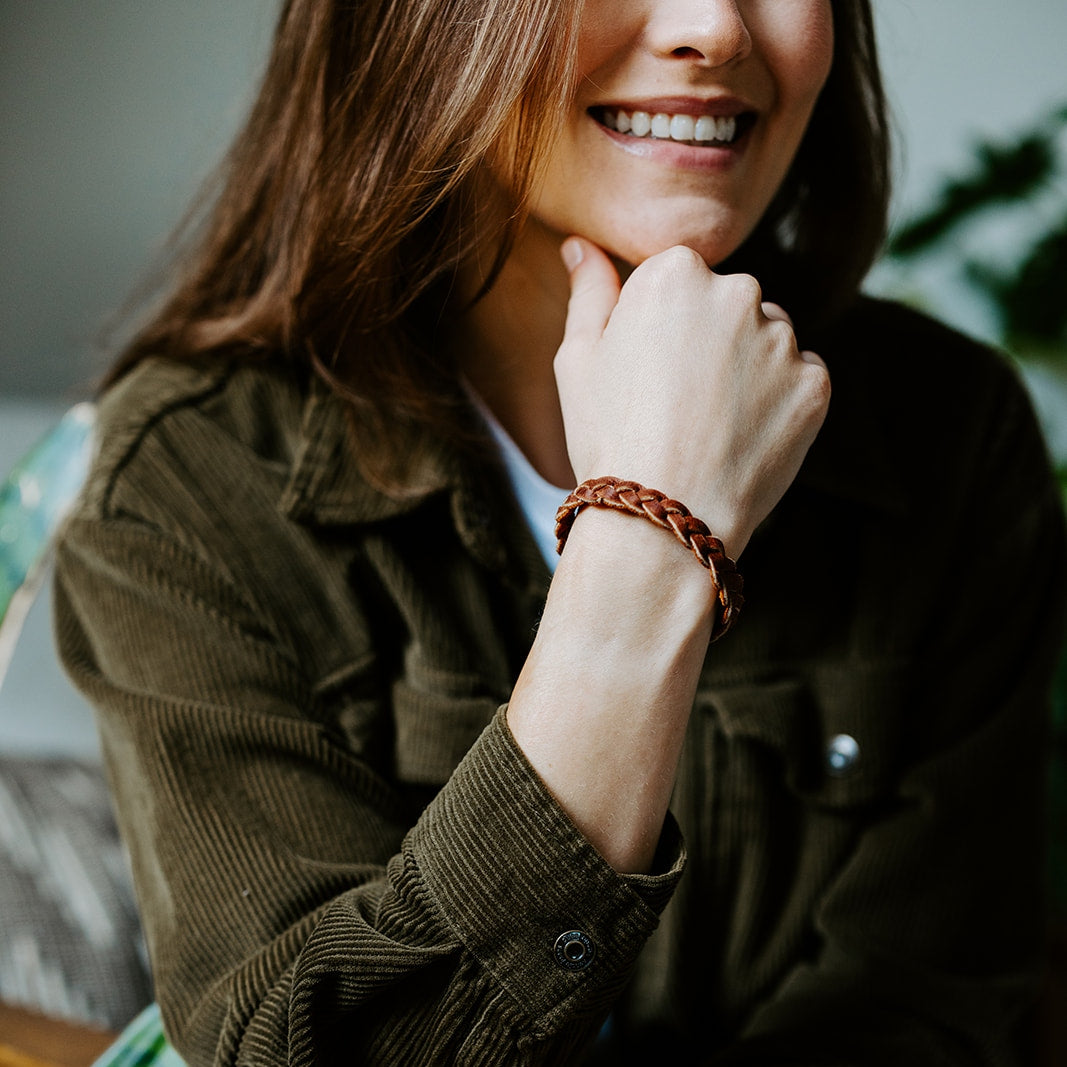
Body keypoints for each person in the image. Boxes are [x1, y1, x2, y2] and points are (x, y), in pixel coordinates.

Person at [53, 0, 1066, 1063]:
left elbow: (928, 1011)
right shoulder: (183, 481)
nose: (713, 30)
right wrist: (648, 538)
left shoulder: (950, 435)